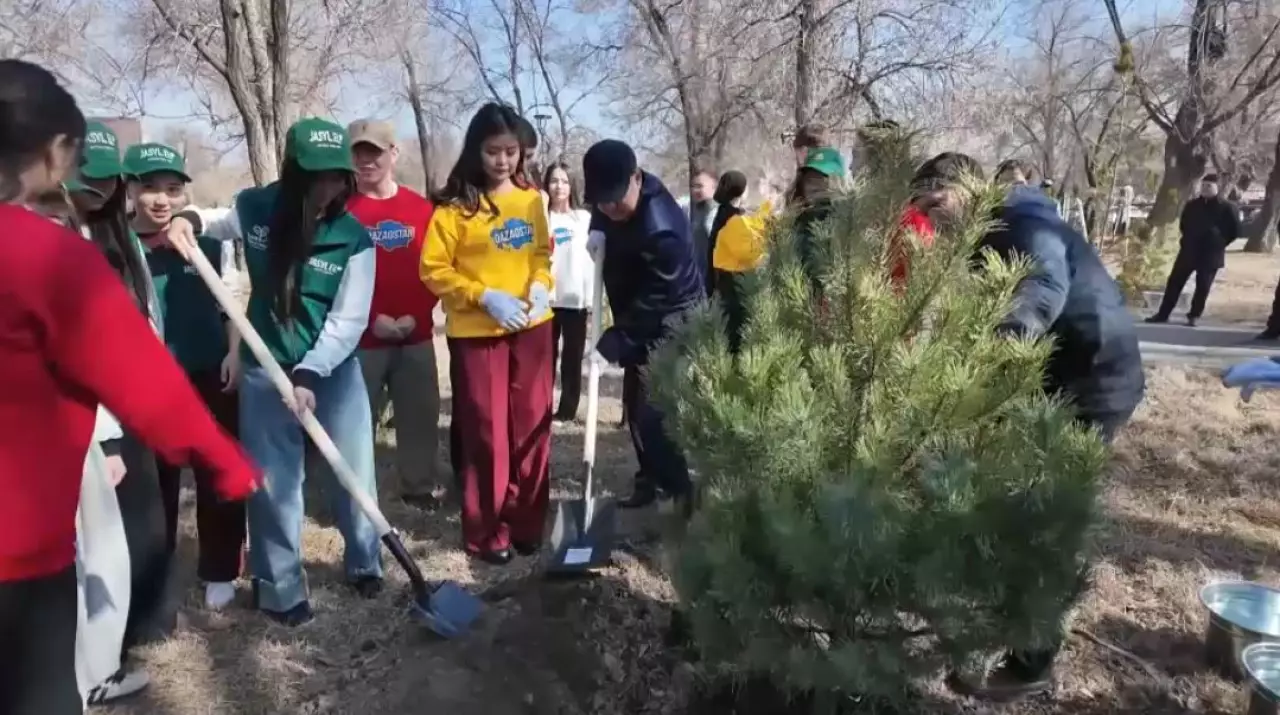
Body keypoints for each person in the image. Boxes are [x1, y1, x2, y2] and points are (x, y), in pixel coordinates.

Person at [0, 58, 257, 715]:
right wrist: (226, 462)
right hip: (19, 561)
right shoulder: (50, 259)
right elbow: (148, 385)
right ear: (58, 152)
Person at [910, 151, 1144, 701]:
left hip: (1092, 384)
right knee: (1015, 500)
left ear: (965, 189)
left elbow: (1036, 296)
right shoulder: (991, 227)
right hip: (1050, 381)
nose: (932, 218)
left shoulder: (1025, 224)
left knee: (1046, 521)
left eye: (935, 204)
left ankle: (1032, 664)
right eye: (921, 209)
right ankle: (1002, 626)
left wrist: (980, 372)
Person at [165, 117, 384, 627]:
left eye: (336, 177)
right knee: (272, 483)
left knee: (352, 469)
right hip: (265, 367)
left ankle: (365, 561)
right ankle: (280, 587)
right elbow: (217, 220)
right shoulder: (258, 208)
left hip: (331, 370)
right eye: (316, 177)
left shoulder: (354, 239)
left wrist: (309, 373)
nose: (327, 188)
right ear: (292, 172)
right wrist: (189, 220)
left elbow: (349, 320)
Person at [65, 121, 175, 704]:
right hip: (89, 412)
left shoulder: (120, 239)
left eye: (110, 182)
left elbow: (147, 319)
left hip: (135, 399)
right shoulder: (59, 239)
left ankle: (131, 636)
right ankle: (86, 672)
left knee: (140, 521)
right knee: (93, 543)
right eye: (92, 180)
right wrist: (104, 436)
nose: (101, 191)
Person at [420, 103, 554, 565]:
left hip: (532, 327)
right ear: (476, 151)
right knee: (488, 432)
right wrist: (482, 295)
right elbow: (433, 270)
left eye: (511, 151)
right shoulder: (455, 207)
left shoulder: (531, 199)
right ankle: (486, 530)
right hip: (478, 333)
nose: (503, 161)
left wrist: (541, 286)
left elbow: (541, 253)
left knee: (533, 427)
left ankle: (527, 523)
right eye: (493, 151)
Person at [124, 142, 247, 613]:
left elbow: (231, 303)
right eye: (150, 188)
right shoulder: (121, 249)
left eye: (172, 190)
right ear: (130, 190)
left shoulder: (208, 246)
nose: (161, 200)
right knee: (159, 483)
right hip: (151, 386)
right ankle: (157, 572)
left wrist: (235, 353)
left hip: (210, 373)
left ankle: (220, 568)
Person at [581, 139, 703, 510]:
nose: (610, 209)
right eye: (602, 202)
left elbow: (658, 301)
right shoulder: (610, 200)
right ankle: (649, 479)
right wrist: (596, 227)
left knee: (655, 414)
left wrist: (613, 343)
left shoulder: (661, 227)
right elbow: (603, 208)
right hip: (636, 309)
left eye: (616, 200)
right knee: (634, 407)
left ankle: (680, 495)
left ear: (637, 177)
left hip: (673, 318)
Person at [345, 119, 442, 511]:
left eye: (375, 152)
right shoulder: (341, 212)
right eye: (358, 153)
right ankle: (354, 493)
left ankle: (418, 487)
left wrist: (418, 316)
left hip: (414, 333)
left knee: (419, 414)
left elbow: (437, 269)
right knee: (355, 419)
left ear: (394, 153)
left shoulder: (421, 210)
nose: (367, 161)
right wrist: (371, 319)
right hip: (361, 337)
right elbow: (333, 276)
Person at [1145, 173, 1241, 327]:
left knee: (1202, 286)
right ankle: (1163, 314)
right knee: (1174, 282)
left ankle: (1194, 315)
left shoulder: (1227, 207)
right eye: (1203, 185)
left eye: (1209, 186)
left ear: (1217, 187)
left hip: (1210, 254)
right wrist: (1188, 239)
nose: (1205, 188)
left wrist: (1218, 241)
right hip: (1189, 250)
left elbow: (1235, 231)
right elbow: (1183, 225)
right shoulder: (1192, 205)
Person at [544, 161, 595, 422]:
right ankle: (541, 406)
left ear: (572, 185)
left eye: (564, 181)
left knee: (571, 359)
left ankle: (567, 410)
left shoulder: (584, 219)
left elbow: (591, 262)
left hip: (575, 300)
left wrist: (591, 299)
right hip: (546, 300)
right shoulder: (542, 217)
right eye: (554, 180)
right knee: (545, 358)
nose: (559, 186)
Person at [708, 170, 761, 352]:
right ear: (741, 191)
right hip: (733, 286)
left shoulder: (722, 215)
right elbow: (749, 253)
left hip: (721, 282)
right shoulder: (734, 221)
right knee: (736, 339)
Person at [680, 166, 718, 294]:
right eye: (693, 186)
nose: (695, 190)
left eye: (700, 186)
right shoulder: (696, 212)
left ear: (714, 187)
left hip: (714, 285)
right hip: (699, 283)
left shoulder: (715, 213)